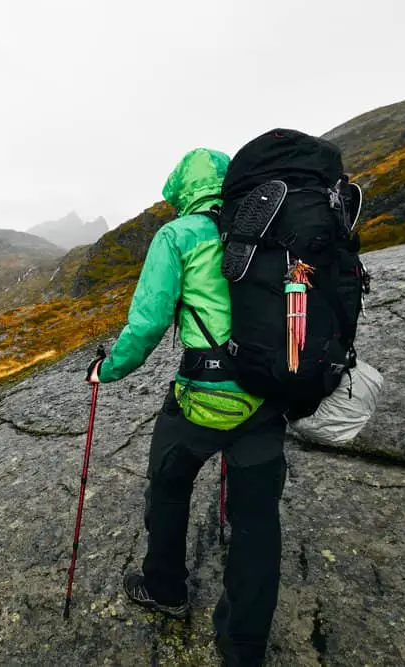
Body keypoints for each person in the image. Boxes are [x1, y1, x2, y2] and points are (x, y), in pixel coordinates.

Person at [85, 147, 288, 666]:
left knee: (170, 483)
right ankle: (244, 650)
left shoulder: (178, 235)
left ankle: (165, 589)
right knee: (257, 521)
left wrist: (107, 370)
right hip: (269, 392)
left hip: (202, 393)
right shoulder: (271, 225)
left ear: (181, 186)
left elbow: (149, 322)